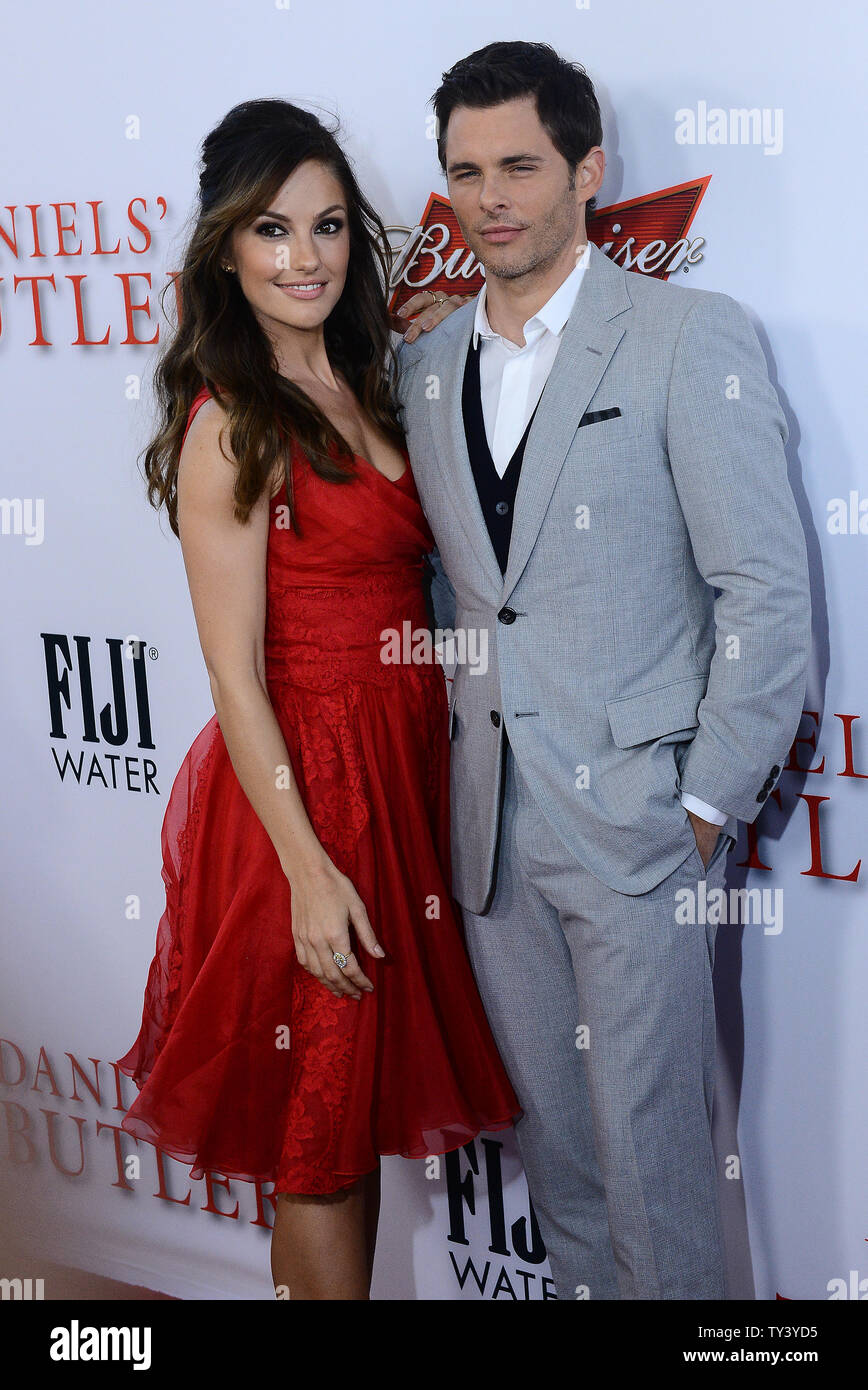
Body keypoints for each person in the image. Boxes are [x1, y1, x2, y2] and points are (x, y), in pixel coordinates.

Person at [395, 41, 812, 1299]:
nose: (489, 199)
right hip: (491, 835)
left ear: (588, 169)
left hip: (636, 826)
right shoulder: (422, 369)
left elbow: (764, 590)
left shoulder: (689, 336)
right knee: (561, 1164)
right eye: (464, 173)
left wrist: (698, 806)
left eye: (518, 164)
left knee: (654, 1171)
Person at [116, 97, 520, 1302]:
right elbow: (232, 673)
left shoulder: (381, 377)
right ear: (226, 252)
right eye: (273, 231)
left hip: (408, 770)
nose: (306, 258)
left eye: (329, 226)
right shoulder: (231, 421)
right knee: (323, 1141)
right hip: (308, 795)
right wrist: (304, 867)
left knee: (347, 1124)